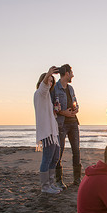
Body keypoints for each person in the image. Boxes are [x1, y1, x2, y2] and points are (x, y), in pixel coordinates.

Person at [51, 64, 82, 188]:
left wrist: (76, 109)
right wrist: (63, 112)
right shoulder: (55, 88)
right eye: (71, 73)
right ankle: (59, 180)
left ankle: (77, 179)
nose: (73, 75)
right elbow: (52, 106)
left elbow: (76, 102)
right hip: (61, 124)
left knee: (76, 151)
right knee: (60, 151)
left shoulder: (71, 88)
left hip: (73, 122)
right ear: (67, 73)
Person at [33, 66, 63, 194]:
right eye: (49, 81)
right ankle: (45, 187)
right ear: (42, 81)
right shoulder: (40, 93)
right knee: (47, 158)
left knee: (55, 157)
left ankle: (51, 183)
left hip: (53, 132)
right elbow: (44, 86)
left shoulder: (47, 98)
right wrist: (49, 73)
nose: (50, 83)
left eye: (52, 81)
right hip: (47, 132)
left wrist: (56, 111)